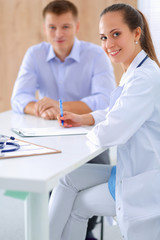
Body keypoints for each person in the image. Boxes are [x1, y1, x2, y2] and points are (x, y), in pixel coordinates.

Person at [49, 3, 160, 240]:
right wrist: (84, 119)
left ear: (136, 33)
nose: (108, 44)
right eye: (103, 37)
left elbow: (112, 131)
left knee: (78, 206)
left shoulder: (145, 78)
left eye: (116, 34)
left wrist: (75, 142)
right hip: (130, 170)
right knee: (66, 180)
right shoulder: (135, 71)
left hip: (144, 182)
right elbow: (116, 111)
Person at [11, 1, 116, 239]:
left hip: (88, 136)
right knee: (46, 183)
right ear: (45, 27)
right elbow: (19, 98)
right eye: (52, 27)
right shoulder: (35, 54)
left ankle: (85, 231)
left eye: (65, 27)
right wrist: (39, 109)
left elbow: (105, 99)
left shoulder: (95, 55)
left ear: (77, 27)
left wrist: (59, 107)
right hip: (48, 137)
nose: (58, 34)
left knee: (85, 186)